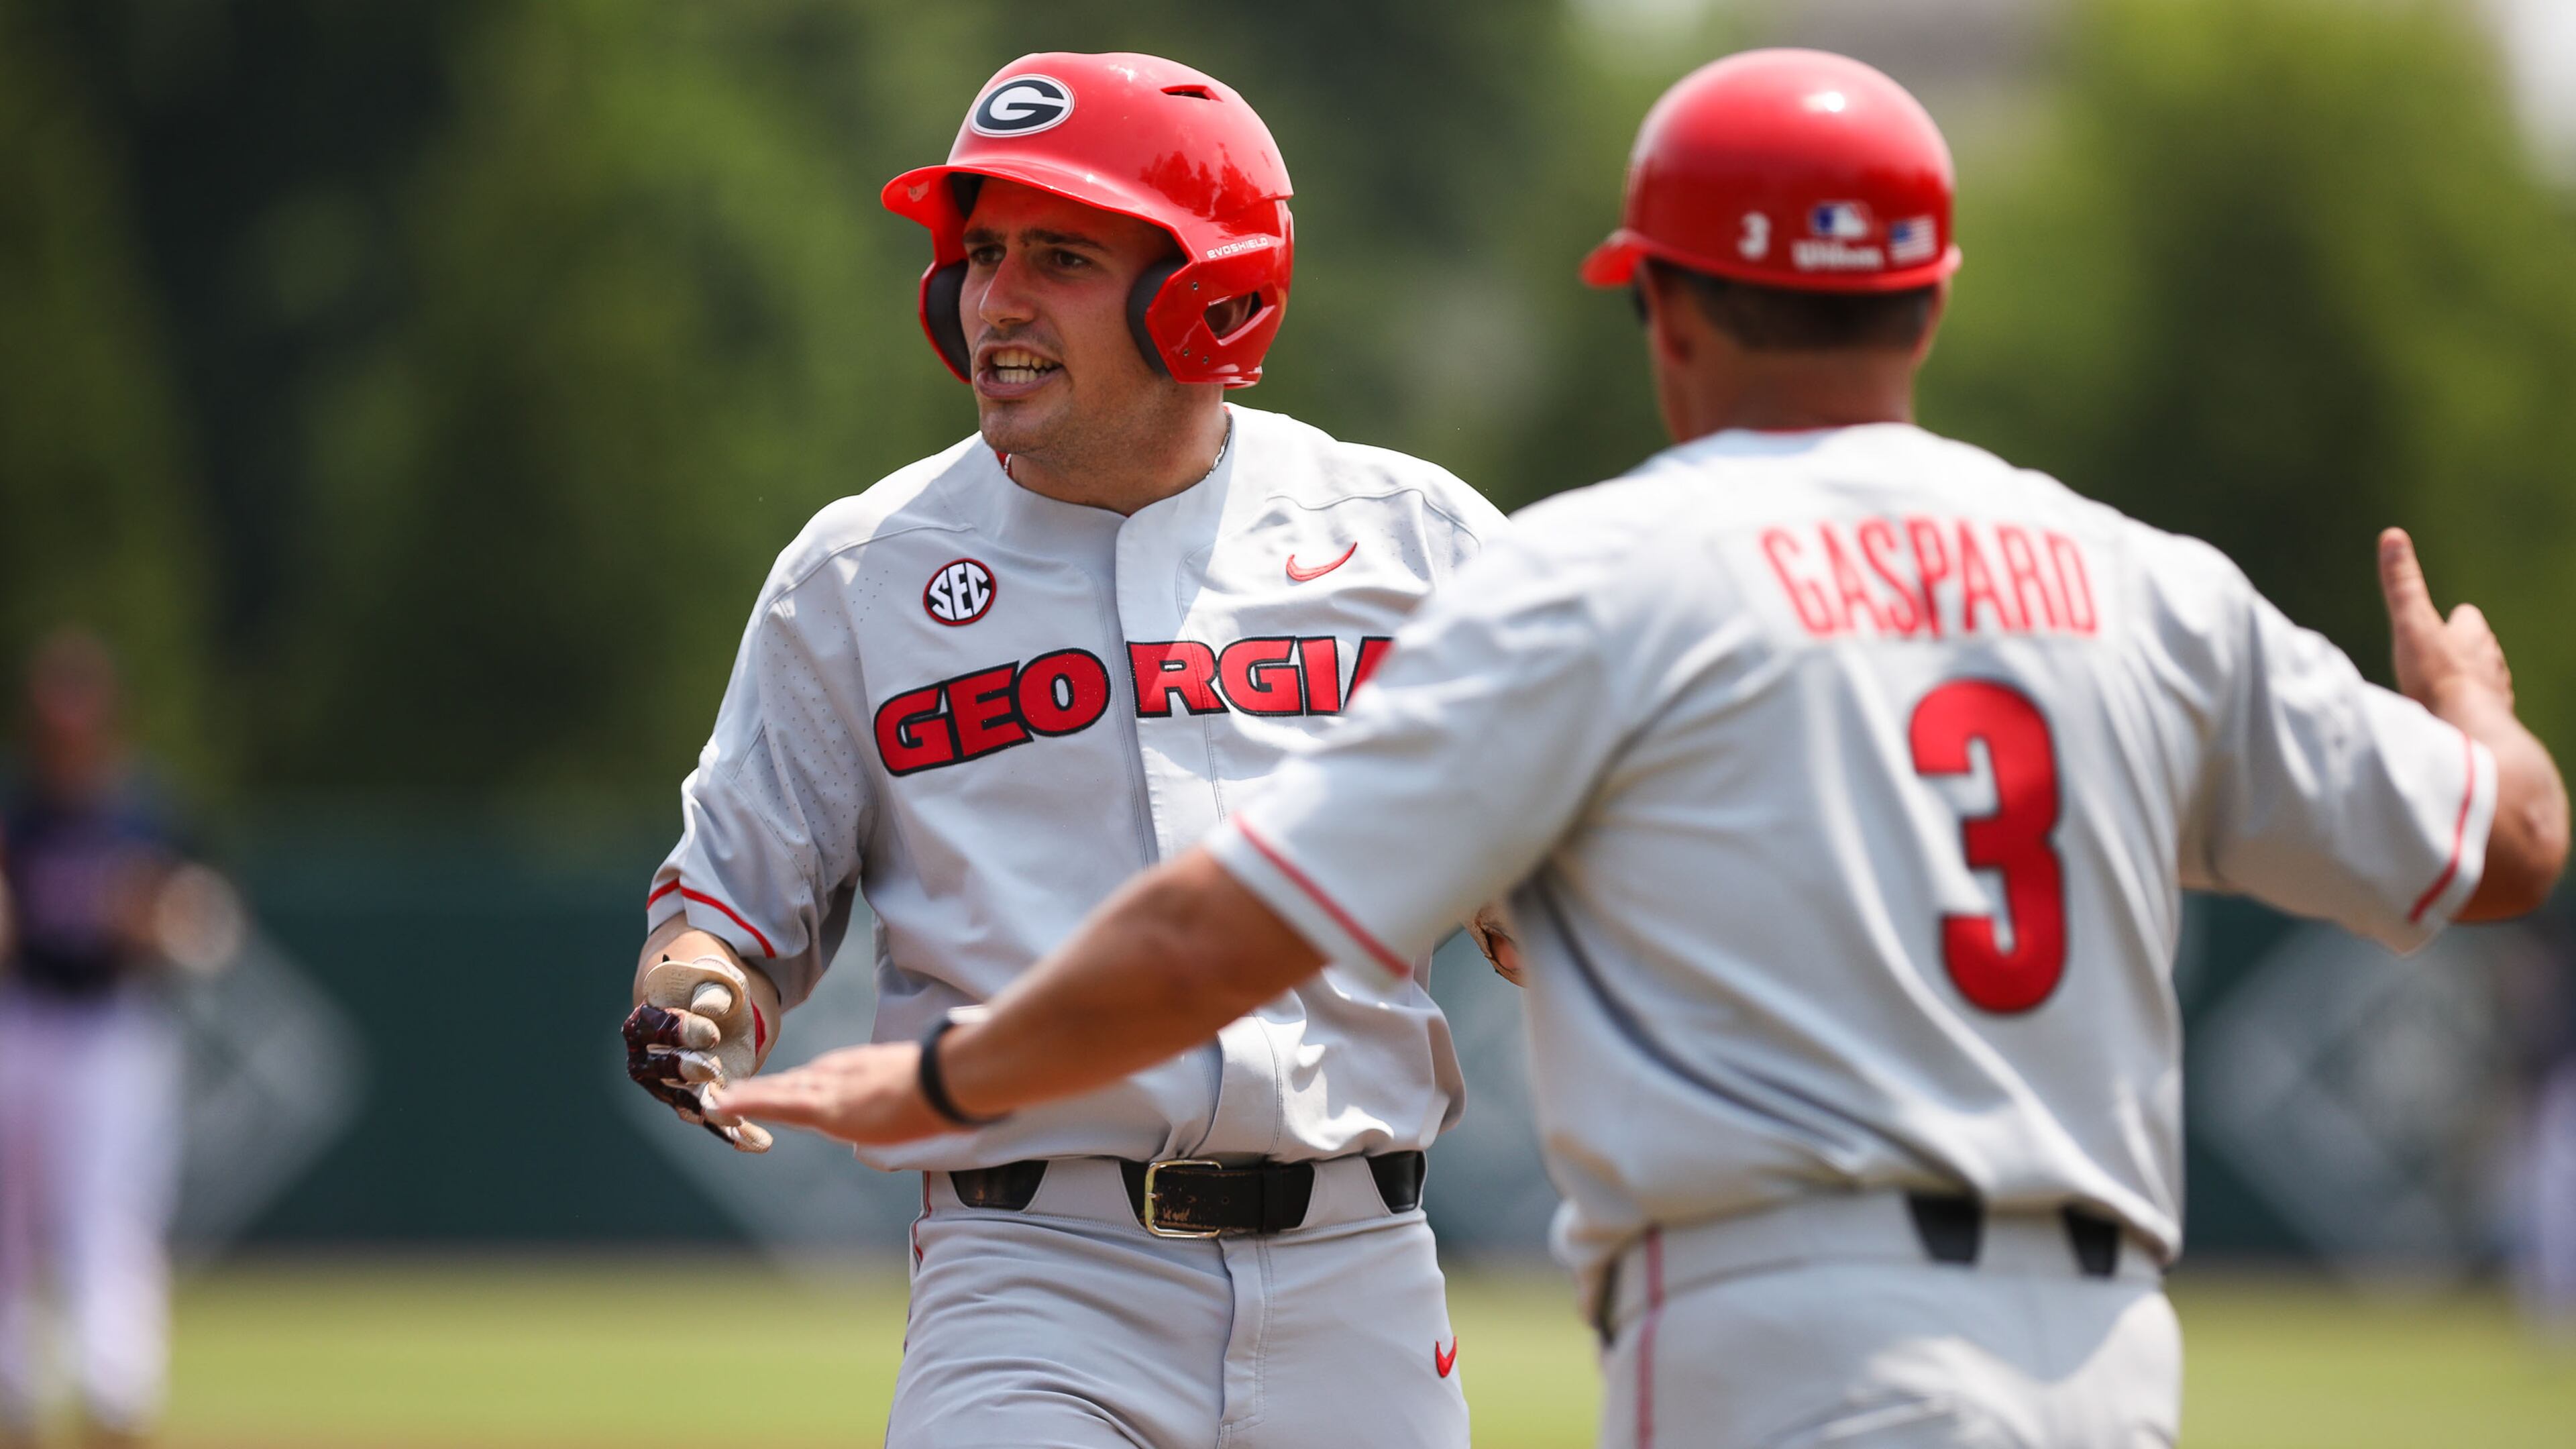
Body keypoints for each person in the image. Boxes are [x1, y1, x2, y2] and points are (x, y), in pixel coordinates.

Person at [709, 48, 2573, 1448]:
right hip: (2096, 1354)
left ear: (1664, 309)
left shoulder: (1602, 580)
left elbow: (1230, 933)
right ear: (1926, 298)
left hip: (1770, 1329)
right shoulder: (2137, 581)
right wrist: (2474, 716)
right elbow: (2501, 848)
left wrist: (931, 1086)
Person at [618, 52, 1506, 1449]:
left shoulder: (1419, 541)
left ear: (1208, 295)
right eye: (979, 254)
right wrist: (695, 1002)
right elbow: (722, 913)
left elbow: (1565, 882)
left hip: (1362, 1280)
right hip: (1035, 1276)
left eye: (1065, 255)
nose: (996, 299)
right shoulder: (859, 574)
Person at [0, 631, 225, 1449]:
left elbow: (208, 926)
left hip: (111, 1028)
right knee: (10, 1217)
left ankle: (113, 1389)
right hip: (21, 1020)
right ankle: (13, 1390)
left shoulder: (144, 808)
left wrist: (158, 923)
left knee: (109, 1213)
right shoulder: (19, 809)